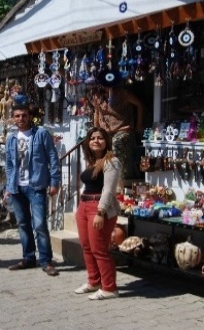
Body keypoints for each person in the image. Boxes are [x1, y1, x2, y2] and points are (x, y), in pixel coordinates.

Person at [4, 104, 61, 276]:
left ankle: (46, 260)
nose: (21, 119)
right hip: (17, 187)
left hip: (36, 185)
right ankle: (28, 258)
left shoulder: (41, 134)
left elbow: (53, 157)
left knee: (40, 224)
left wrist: (55, 182)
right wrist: (8, 186)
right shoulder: (11, 138)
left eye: (24, 115)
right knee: (23, 224)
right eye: (17, 116)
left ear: (30, 116)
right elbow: (9, 164)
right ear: (13, 118)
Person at [74, 127, 122, 300]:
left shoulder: (111, 161)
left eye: (100, 138)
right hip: (84, 205)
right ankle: (94, 281)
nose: (96, 141)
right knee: (86, 246)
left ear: (106, 141)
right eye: (93, 138)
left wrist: (100, 212)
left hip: (99, 206)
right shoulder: (93, 161)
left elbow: (109, 190)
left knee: (99, 249)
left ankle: (109, 288)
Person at [91, 86, 143, 191]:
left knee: (117, 144)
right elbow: (97, 112)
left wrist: (139, 123)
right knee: (98, 149)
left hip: (123, 129)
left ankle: (121, 183)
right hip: (106, 131)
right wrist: (95, 130)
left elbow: (139, 104)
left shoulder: (123, 93)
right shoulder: (98, 97)